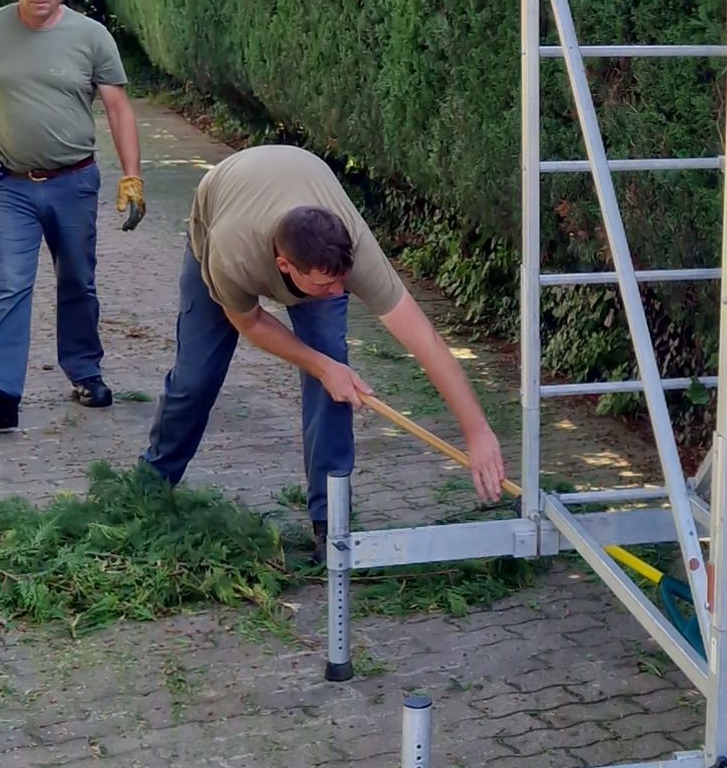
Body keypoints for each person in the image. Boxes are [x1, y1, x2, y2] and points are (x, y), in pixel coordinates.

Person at [141, 142, 508, 535]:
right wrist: (320, 365)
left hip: (300, 181)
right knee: (196, 380)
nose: (337, 292)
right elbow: (250, 323)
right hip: (220, 208)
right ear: (284, 266)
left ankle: (329, 523)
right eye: (325, 284)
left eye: (341, 280)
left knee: (336, 383)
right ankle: (150, 486)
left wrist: (477, 432)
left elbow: (425, 339)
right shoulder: (233, 253)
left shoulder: (350, 251)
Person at [0, 0, 145, 429]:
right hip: (9, 184)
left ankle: (85, 372)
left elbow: (118, 109)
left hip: (73, 182)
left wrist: (132, 176)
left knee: (77, 279)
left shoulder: (92, 36)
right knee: (10, 281)